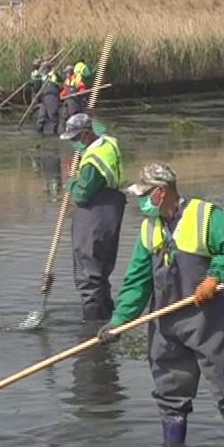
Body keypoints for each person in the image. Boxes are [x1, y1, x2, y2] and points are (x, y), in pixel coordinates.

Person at [99, 163, 224, 447]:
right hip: (165, 324)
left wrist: (214, 277)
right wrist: (119, 320)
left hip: (207, 322)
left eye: (144, 195)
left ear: (161, 192)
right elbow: (137, 280)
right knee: (170, 396)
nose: (140, 202)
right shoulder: (149, 229)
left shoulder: (206, 216)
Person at [59, 112, 126, 322]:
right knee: (100, 274)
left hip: (96, 216)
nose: (73, 143)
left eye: (75, 138)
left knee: (89, 277)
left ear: (86, 135)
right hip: (112, 210)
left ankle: (92, 330)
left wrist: (70, 182)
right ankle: (108, 319)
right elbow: (101, 127)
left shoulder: (92, 163)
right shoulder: (110, 143)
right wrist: (86, 113)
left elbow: (81, 195)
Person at [36, 62, 63, 135]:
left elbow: (60, 83)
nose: (42, 70)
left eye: (44, 68)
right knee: (41, 116)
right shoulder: (43, 76)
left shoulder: (54, 75)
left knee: (53, 115)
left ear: (47, 68)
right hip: (44, 97)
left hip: (52, 96)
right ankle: (39, 132)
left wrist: (53, 76)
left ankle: (56, 132)